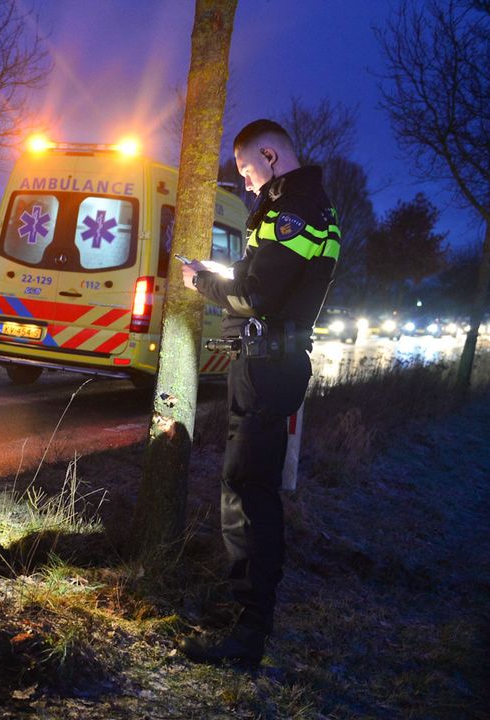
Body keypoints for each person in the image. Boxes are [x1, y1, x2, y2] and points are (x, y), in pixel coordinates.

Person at [177, 119, 340, 668]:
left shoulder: (295, 210)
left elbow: (256, 294)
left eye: (246, 169)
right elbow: (265, 279)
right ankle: (246, 617)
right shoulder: (306, 207)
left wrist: (200, 282)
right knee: (248, 488)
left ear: (270, 156)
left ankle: (247, 633)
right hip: (270, 361)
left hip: (268, 365)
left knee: (248, 492)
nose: (245, 182)